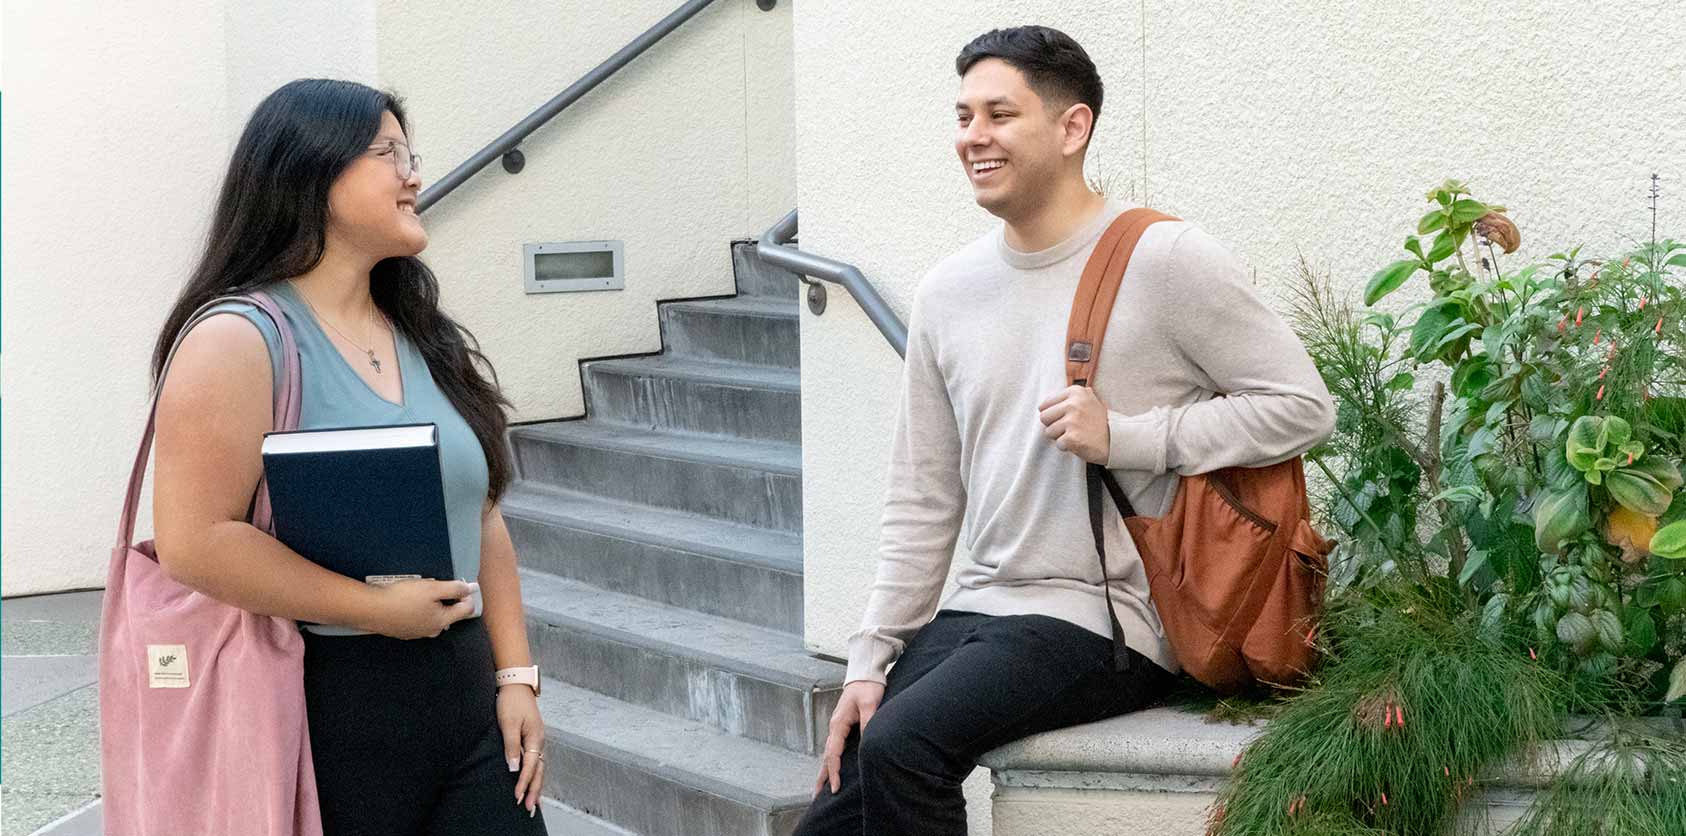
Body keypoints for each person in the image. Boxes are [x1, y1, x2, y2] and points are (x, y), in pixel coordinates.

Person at [793, 26, 1336, 836]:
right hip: (980, 608)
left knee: (905, 747)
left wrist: (1129, 437)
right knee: (839, 801)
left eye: (999, 115)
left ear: (1072, 127)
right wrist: (870, 659)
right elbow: (923, 496)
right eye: (964, 115)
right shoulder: (949, 292)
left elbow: (1300, 406)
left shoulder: (1164, 257)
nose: (972, 136)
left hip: (1108, 621)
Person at [149, 79, 549, 834]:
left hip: (465, 689)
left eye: (411, 153)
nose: (414, 175)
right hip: (324, 699)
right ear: (311, 172)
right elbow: (194, 542)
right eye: (388, 153)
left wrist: (516, 675)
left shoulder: (422, 333)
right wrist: (375, 610)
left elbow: (482, 509)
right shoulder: (239, 338)